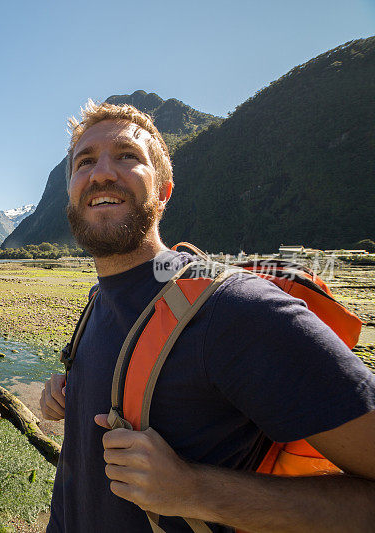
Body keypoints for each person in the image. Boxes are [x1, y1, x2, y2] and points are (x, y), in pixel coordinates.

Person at [39, 100, 375, 532]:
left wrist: (192, 490)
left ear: (163, 191)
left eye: (127, 156)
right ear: (70, 193)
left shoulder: (237, 310)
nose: (101, 172)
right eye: (84, 161)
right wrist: (68, 392)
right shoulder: (96, 302)